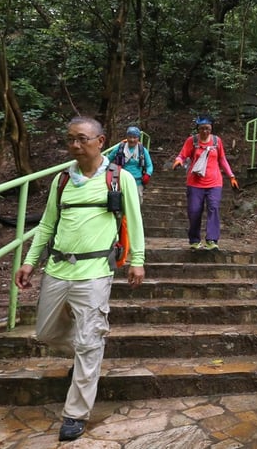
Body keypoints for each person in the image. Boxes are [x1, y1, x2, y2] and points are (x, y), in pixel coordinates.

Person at [15, 116, 145, 442]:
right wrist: (30, 262)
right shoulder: (62, 181)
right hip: (57, 269)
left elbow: (134, 220)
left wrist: (137, 261)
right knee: (45, 332)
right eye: (70, 139)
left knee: (88, 343)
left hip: (95, 273)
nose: (75, 145)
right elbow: (47, 225)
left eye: (82, 139)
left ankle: (75, 413)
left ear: (100, 141)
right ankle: (90, 347)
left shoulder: (120, 178)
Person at [172, 115, 239, 250]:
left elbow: (222, 159)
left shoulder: (216, 141)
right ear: (198, 129)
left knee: (213, 208)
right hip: (195, 183)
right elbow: (182, 154)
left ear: (211, 128)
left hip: (214, 182)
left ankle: (212, 240)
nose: (205, 131)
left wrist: (231, 176)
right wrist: (179, 160)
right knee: (194, 211)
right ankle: (194, 240)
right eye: (202, 129)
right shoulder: (192, 141)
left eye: (207, 128)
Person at [104, 125, 153, 203]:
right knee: (122, 203)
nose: (132, 140)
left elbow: (149, 165)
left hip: (137, 181)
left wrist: (148, 174)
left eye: (135, 137)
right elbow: (108, 159)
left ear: (138, 138)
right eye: (130, 137)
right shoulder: (120, 148)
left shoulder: (142, 150)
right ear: (127, 137)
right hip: (121, 180)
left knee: (136, 203)